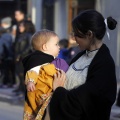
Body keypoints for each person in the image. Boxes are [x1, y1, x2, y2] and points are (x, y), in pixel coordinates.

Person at [49, 9, 117, 120]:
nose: (74, 38)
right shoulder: (80, 56)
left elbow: (85, 100)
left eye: (76, 34)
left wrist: (58, 90)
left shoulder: (105, 64)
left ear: (89, 34)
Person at [22, 29, 69, 120]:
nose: (59, 47)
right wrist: (30, 82)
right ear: (45, 47)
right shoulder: (37, 61)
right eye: (56, 44)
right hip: (44, 98)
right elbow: (32, 72)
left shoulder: (55, 61)